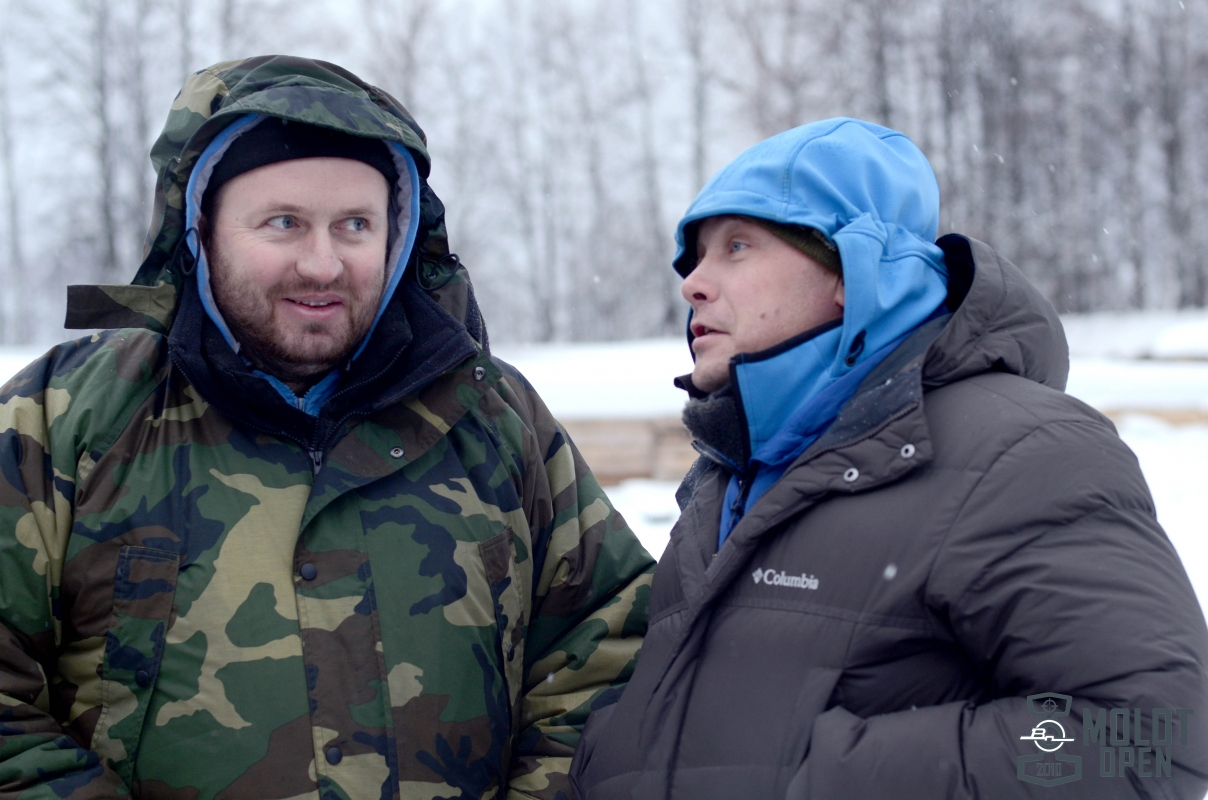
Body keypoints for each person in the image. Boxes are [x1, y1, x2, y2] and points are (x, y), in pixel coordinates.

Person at [0, 56, 653, 800]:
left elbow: (610, 650)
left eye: (355, 226)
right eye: (284, 223)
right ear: (200, 229)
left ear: (398, 238)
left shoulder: (493, 417)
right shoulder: (65, 418)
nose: (322, 264)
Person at [570, 118, 1208, 798]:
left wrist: (815, 782)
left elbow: (1153, 737)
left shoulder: (1020, 450)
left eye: (737, 247)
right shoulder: (725, 485)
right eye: (697, 255)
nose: (693, 283)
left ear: (855, 272)